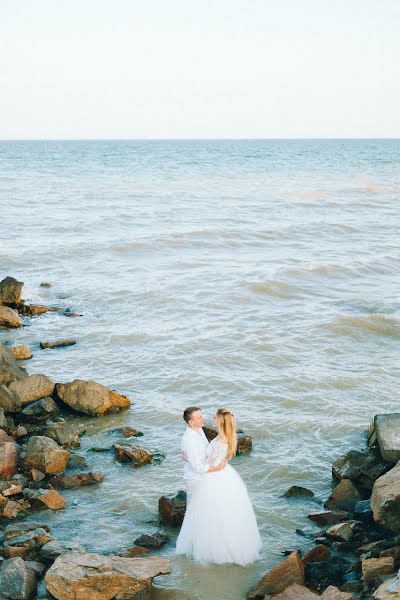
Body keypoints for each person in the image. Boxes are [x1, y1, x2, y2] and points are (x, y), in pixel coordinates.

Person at [176, 407, 262, 566]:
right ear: (191, 422)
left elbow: (207, 464)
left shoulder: (216, 437)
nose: (206, 419)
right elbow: (205, 462)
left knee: (209, 513)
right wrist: (190, 459)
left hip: (213, 476)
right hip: (214, 475)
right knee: (217, 511)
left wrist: (213, 466)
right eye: (200, 417)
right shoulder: (205, 437)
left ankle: (214, 548)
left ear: (220, 422)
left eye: (212, 417)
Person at [180, 406, 227, 505]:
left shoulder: (199, 429)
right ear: (191, 422)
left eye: (201, 415)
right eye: (199, 417)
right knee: (199, 506)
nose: (203, 418)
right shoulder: (189, 439)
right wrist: (218, 468)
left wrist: (188, 458)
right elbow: (198, 467)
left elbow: (203, 454)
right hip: (197, 479)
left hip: (205, 473)